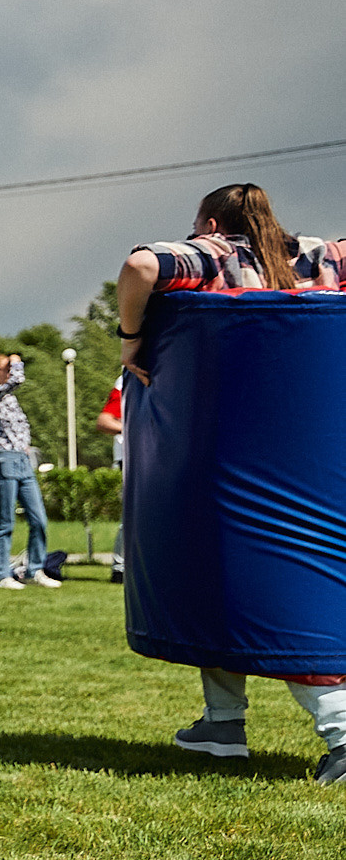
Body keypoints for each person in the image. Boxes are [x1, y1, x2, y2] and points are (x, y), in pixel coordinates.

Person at [116, 182, 345, 781]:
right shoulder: (321, 256)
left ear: (212, 223)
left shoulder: (212, 255)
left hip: (220, 457)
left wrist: (131, 337)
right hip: (309, 457)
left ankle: (342, 734)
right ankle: (221, 724)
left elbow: (142, 265)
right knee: (225, 585)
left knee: (277, 593)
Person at [0, 353, 57, 590]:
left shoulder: (9, 399)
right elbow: (17, 381)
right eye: (7, 368)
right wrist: (17, 362)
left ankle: (35, 569)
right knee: (6, 521)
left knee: (39, 519)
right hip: (5, 459)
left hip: (23, 458)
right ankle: (0, 573)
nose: (11, 372)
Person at [96, 374, 125, 583]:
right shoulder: (126, 380)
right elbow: (105, 420)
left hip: (156, 456)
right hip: (131, 459)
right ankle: (120, 568)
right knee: (133, 517)